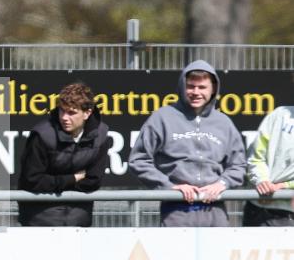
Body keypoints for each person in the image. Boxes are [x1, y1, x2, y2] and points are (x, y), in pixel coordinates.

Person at [129, 60, 246, 227]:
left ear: (213, 89)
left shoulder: (224, 123)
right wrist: (169, 186)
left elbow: (239, 165)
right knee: (176, 254)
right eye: (191, 86)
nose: (196, 92)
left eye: (202, 87)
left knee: (216, 254)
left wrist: (222, 183)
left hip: (215, 209)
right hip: (176, 208)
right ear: (182, 87)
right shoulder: (162, 118)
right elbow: (138, 160)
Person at [17, 82, 109, 227]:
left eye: (72, 113)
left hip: (79, 221)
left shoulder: (101, 135)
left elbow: (93, 181)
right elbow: (32, 180)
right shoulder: (41, 135)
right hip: (40, 220)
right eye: (62, 111)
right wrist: (74, 178)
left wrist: (54, 183)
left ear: (87, 113)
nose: (65, 117)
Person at [243, 104, 294, 226]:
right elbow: (255, 157)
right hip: (259, 209)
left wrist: (285, 186)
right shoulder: (278, 115)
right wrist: (262, 181)